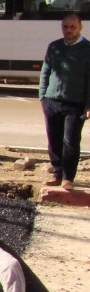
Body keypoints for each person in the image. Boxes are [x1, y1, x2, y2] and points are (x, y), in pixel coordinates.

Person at [39, 11, 90, 189]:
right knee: (54, 139)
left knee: (70, 141)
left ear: (80, 27)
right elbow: (45, 71)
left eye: (72, 27)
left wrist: (88, 105)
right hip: (52, 101)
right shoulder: (54, 46)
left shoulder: (87, 49)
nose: (68, 30)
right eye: (65, 27)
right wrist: (42, 95)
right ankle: (57, 173)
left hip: (75, 103)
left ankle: (68, 177)